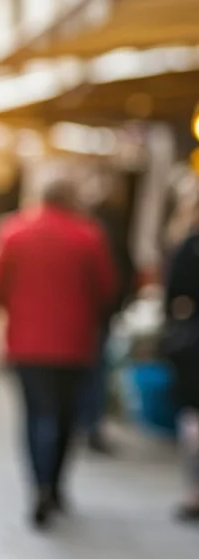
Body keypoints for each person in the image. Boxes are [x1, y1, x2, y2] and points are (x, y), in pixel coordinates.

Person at [0, 178, 116, 530]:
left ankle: (39, 484)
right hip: (74, 342)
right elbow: (106, 288)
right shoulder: (88, 235)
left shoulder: (14, 232)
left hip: (27, 342)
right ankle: (55, 483)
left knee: (36, 414)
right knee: (66, 416)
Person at [81, 180, 136, 455]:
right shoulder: (98, 235)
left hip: (85, 318)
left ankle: (84, 423)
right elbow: (113, 279)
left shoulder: (92, 236)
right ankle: (90, 424)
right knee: (94, 372)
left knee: (89, 373)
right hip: (95, 316)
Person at [162, 198, 199, 522]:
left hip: (193, 344)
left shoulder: (189, 245)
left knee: (193, 418)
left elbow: (173, 295)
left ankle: (194, 492)